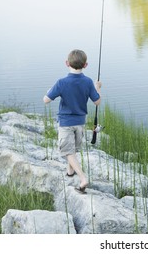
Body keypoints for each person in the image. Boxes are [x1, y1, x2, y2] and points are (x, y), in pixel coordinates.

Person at [43, 49, 101, 194]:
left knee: (68, 151)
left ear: (67, 63)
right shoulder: (88, 82)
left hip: (66, 123)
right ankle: (70, 172)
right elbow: (97, 102)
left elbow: (46, 100)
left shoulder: (61, 82)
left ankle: (83, 179)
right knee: (73, 149)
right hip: (80, 122)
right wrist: (97, 88)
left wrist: (50, 90)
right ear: (85, 65)